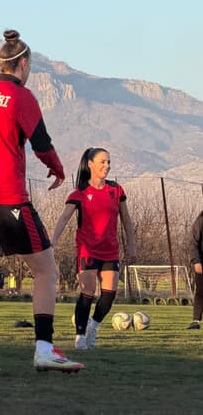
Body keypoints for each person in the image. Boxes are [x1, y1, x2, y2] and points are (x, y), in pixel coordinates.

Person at [0, 29, 83, 373]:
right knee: (46, 271)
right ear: (23, 64)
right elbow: (41, 142)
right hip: (7, 198)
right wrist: (57, 169)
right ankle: (44, 349)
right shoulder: (20, 96)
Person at [52, 148, 136, 349]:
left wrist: (132, 245)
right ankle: (80, 337)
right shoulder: (79, 193)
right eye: (102, 162)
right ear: (90, 164)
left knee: (109, 295)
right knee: (87, 293)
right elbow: (64, 218)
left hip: (110, 251)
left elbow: (126, 219)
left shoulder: (116, 190)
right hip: (87, 251)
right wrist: (52, 242)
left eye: (108, 162)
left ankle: (93, 327)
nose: (107, 165)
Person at [187, 209, 203, 329]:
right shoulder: (201, 219)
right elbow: (193, 242)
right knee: (201, 291)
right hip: (201, 263)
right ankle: (196, 321)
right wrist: (196, 261)